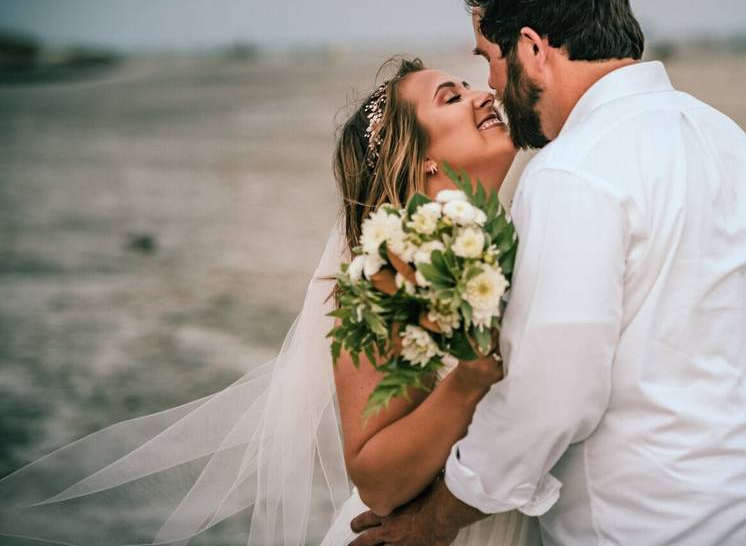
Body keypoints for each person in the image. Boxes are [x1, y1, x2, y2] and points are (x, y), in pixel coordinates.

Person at [348, 0, 746, 546]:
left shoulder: (573, 171)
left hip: (661, 527)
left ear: (532, 49)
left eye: (489, 59)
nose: (491, 87)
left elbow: (549, 396)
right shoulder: (729, 139)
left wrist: (434, 522)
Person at [0, 57, 539, 546]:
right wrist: (467, 381)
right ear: (418, 158)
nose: (482, 95)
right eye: (452, 95)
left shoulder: (527, 220)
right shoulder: (384, 277)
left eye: (468, 85)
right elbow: (376, 479)